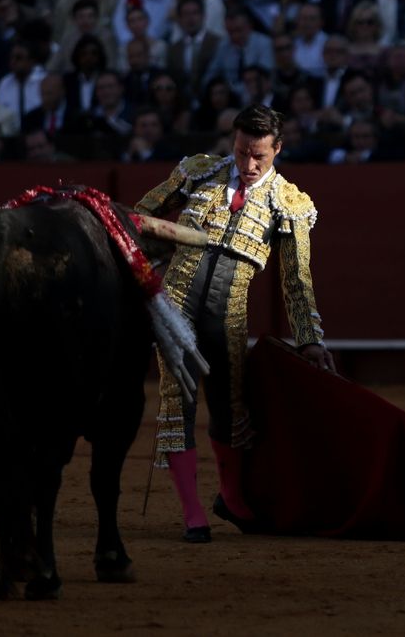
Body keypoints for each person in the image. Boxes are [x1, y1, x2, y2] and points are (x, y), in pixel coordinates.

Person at [133, 104, 333, 543]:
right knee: (177, 402)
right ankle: (193, 514)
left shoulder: (289, 203)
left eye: (259, 155)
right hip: (176, 308)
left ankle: (231, 497)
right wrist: (151, 260)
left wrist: (310, 339)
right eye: (242, 151)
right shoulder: (198, 172)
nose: (248, 163)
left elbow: (296, 280)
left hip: (228, 316)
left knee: (230, 407)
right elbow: (140, 218)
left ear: (278, 149)